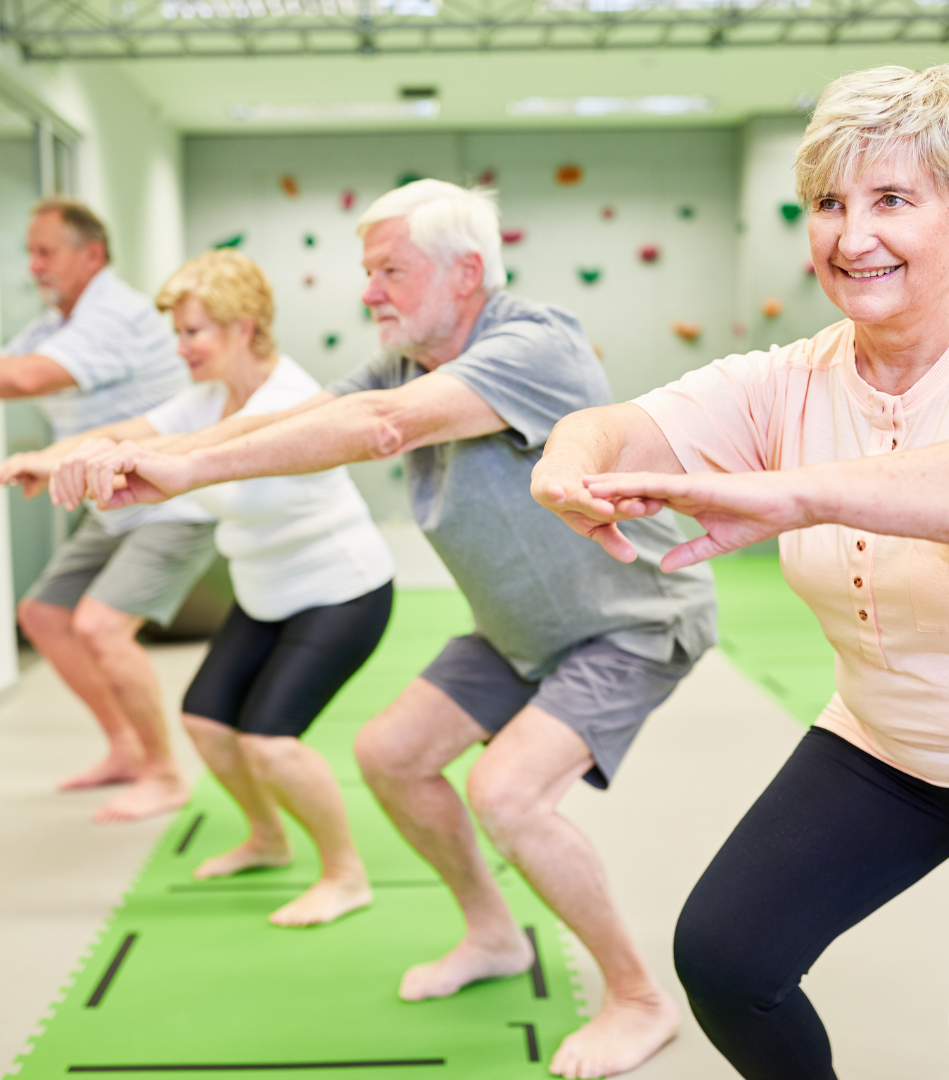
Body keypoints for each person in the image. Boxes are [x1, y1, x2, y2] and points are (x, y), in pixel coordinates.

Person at [57, 180, 717, 1080]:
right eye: (368, 271)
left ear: (466, 272)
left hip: (629, 621)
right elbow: (305, 416)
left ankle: (639, 1000)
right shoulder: (405, 358)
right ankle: (493, 934)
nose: (370, 291)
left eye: (391, 270)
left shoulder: (533, 343)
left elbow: (376, 430)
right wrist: (166, 457)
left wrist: (175, 471)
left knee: (508, 794)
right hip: (518, 630)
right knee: (389, 754)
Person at [532, 63, 949, 1079]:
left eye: (891, 200)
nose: (850, 235)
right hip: (887, 744)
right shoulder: (785, 379)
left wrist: (806, 491)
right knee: (726, 959)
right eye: (828, 202)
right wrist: (571, 458)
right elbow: (616, 427)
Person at [44, 250, 395, 926]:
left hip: (339, 589)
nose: (182, 348)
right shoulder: (209, 396)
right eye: (178, 333)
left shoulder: (288, 399)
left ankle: (346, 875)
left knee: (270, 741)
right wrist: (53, 457)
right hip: (266, 590)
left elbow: (196, 456)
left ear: (242, 327)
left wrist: (116, 466)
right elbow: (137, 431)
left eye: (193, 332)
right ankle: (266, 838)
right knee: (207, 721)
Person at [0, 198, 216, 822]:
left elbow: (25, 380)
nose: (34, 265)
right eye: (31, 252)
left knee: (99, 625)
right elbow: (17, 363)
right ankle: (125, 748)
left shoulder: (115, 314)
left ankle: (165, 774)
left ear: (90, 254)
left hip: (173, 502)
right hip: (113, 502)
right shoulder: (53, 323)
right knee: (43, 614)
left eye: (46, 251)